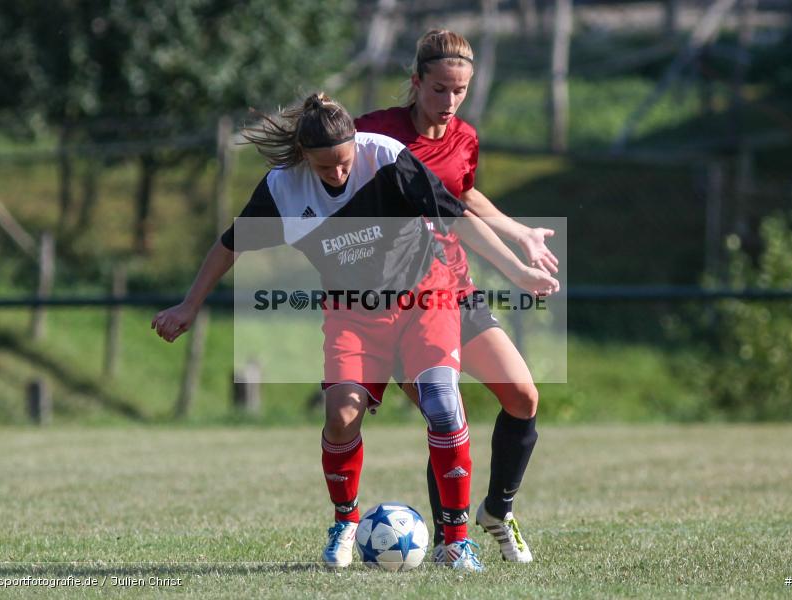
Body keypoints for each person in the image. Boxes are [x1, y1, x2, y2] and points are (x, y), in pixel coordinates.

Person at [150, 92, 558, 571]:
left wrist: (517, 272)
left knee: (444, 403)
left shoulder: (384, 156)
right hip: (353, 313)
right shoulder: (283, 188)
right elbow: (229, 246)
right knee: (341, 414)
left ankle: (455, 541)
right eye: (326, 168)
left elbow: (457, 216)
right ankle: (345, 520)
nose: (339, 174)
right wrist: (189, 304)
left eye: (345, 163)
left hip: (424, 298)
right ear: (304, 157)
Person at [355, 29, 559, 564]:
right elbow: (325, 168)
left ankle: (498, 510)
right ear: (416, 82)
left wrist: (520, 232)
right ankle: (452, 542)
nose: (449, 102)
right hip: (392, 305)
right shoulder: (373, 134)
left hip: (454, 289)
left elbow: (461, 194)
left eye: (460, 91)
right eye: (439, 89)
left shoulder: (464, 137)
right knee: (448, 412)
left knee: (523, 396)